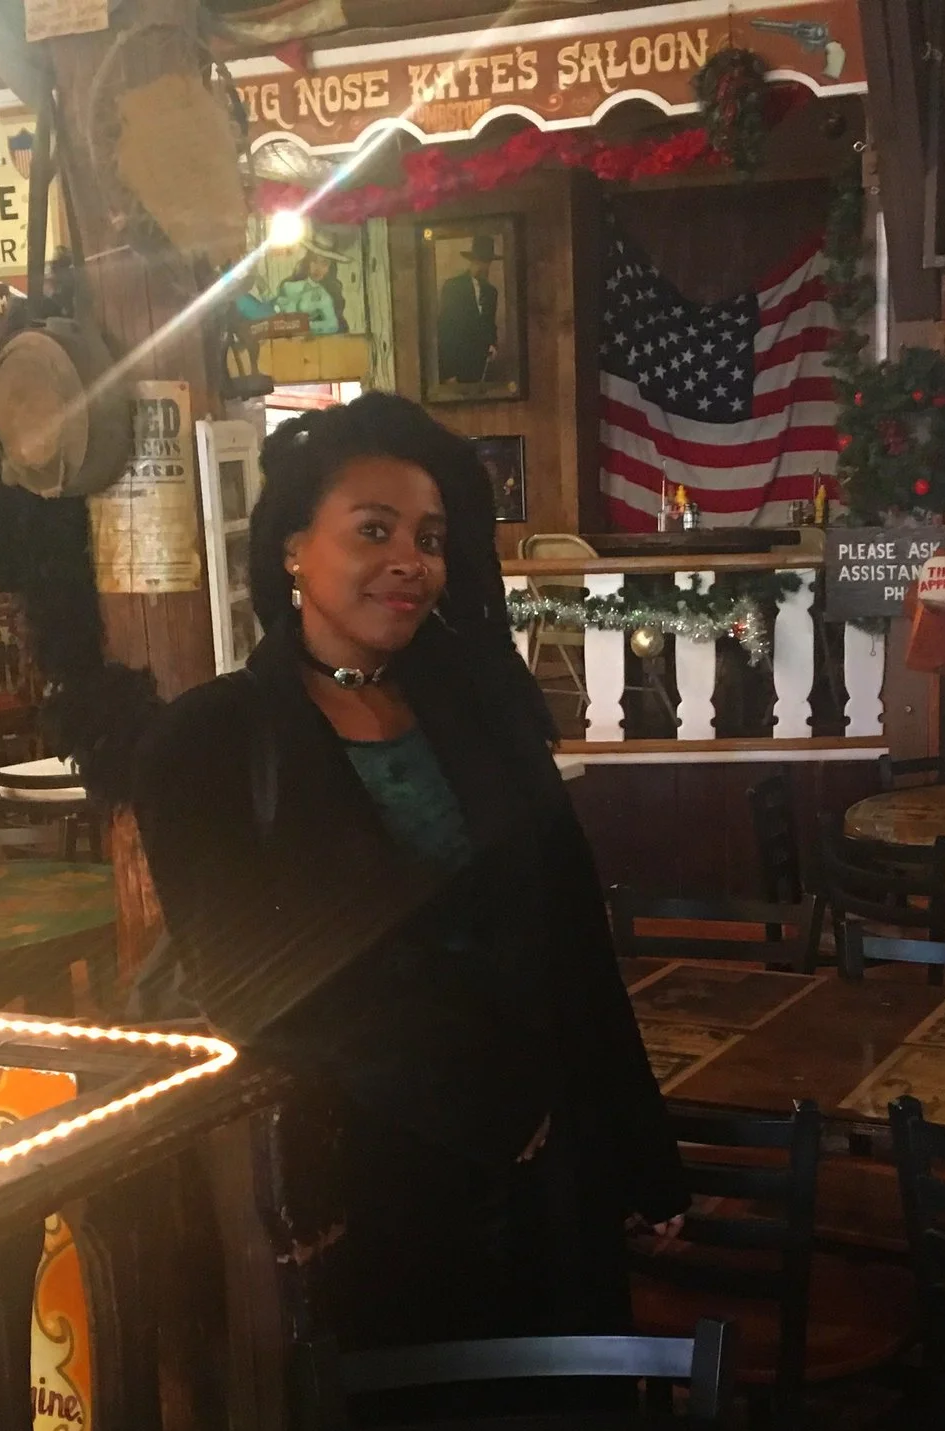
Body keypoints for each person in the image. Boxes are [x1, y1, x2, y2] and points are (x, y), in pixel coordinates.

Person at [125, 394, 686, 1351]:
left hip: (553, 1168)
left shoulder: (487, 711)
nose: (410, 561)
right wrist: (485, 1102)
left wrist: (639, 1148)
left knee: (573, 1422)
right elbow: (254, 985)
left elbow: (573, 942)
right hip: (370, 1191)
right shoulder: (206, 742)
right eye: (373, 530)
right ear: (293, 548)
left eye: (430, 538)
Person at [432, 234, 501, 384]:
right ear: (473, 260)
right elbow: (445, 329)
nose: (485, 266)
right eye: (482, 261)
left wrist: (493, 345)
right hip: (457, 366)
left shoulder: (491, 292)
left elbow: (490, 325)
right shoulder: (453, 287)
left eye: (488, 261)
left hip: (483, 368)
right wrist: (449, 372)